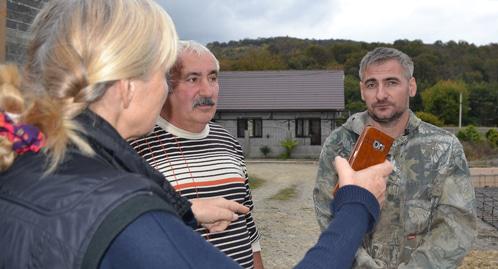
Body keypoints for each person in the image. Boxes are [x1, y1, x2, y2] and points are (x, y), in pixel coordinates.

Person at [0, 0, 394, 268]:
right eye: (162, 72)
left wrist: (181, 212)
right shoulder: (123, 211)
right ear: (127, 84)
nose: (166, 89)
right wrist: (356, 202)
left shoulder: (24, 162)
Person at [313, 47, 477, 268]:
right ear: (362, 90)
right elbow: (329, 214)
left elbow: (456, 225)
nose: (381, 94)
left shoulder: (444, 147)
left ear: (411, 86)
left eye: (391, 82)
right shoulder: (338, 145)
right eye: (372, 84)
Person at [129, 40, 263, 269]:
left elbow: (247, 220)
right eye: (193, 79)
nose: (208, 91)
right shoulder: (135, 147)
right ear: (165, 85)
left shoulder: (228, 141)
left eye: (212, 78)